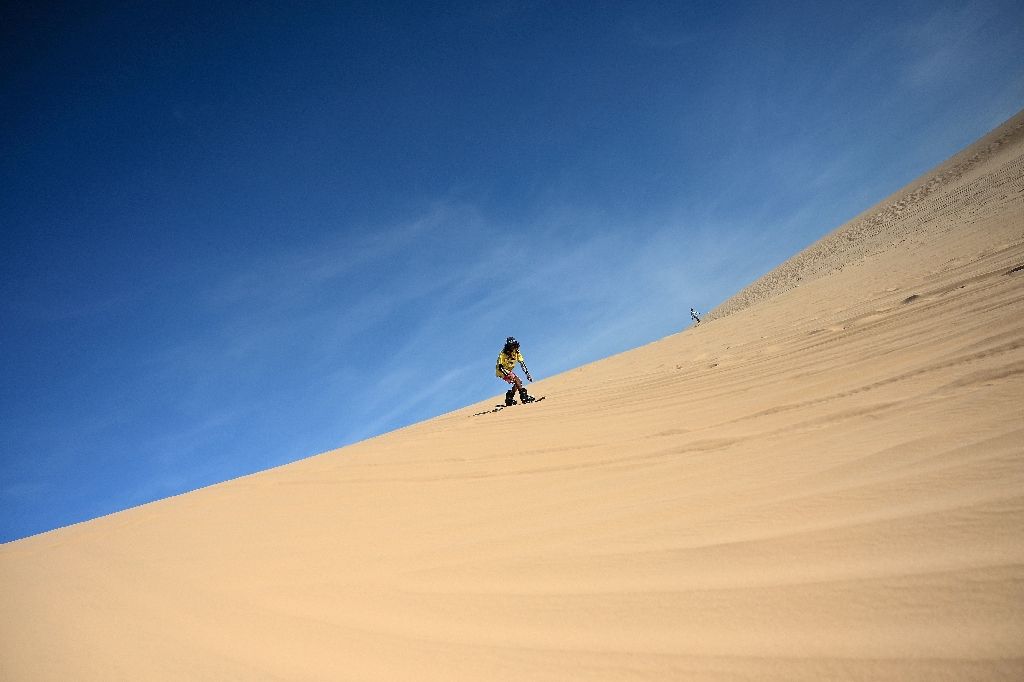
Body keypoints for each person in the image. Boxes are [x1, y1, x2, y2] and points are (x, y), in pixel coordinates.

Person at [496, 336, 536, 405]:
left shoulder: (517, 352)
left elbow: (522, 364)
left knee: (518, 382)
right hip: (501, 371)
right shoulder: (503, 354)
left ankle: (509, 399)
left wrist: (527, 374)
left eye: (514, 345)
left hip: (507, 370)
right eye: (511, 346)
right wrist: (507, 375)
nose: (512, 347)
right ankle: (524, 397)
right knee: (516, 380)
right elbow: (500, 367)